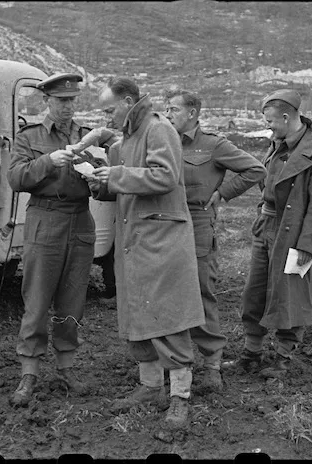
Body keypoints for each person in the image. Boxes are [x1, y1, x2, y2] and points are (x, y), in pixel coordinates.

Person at [86, 77, 205, 428]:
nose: (106, 117)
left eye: (109, 110)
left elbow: (165, 177)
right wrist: (102, 184)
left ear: (127, 102)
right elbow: (131, 185)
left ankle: (180, 396)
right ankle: (151, 385)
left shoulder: (158, 129)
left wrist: (117, 174)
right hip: (136, 240)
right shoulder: (129, 137)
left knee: (169, 317)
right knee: (137, 312)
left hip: (161, 241)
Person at [7, 73, 118, 407]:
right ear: (47, 101)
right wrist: (47, 162)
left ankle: (66, 368)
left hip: (81, 220)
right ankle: (29, 373)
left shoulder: (88, 136)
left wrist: (101, 177)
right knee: (38, 300)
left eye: (72, 101)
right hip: (44, 220)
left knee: (72, 300)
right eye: (61, 101)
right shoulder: (30, 136)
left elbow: (104, 189)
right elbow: (15, 178)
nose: (67, 107)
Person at [164, 89, 266, 391]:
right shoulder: (162, 142)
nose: (168, 116)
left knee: (201, 292)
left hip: (197, 223)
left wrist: (223, 193)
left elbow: (255, 169)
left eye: (173, 110)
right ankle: (171, 363)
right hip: (164, 224)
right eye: (167, 110)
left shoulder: (213, 145)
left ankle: (211, 366)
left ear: (193, 113)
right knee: (167, 292)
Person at [233, 89, 312, 378]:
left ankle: (282, 358)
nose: (267, 125)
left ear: (285, 116)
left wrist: (308, 246)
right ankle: (251, 352)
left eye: (269, 120)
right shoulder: (276, 146)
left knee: (290, 295)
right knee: (254, 291)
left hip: (295, 233)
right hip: (266, 227)